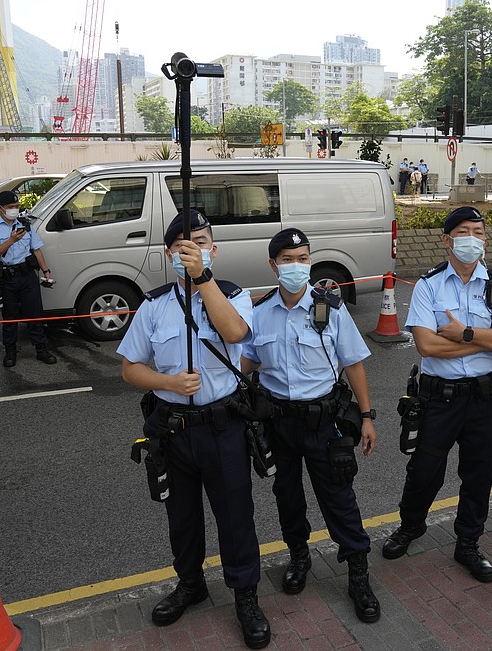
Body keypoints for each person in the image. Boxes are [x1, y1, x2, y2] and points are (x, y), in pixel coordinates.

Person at [117, 210, 270, 648]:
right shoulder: (153, 305)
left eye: (200, 242)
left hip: (222, 427)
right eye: (183, 245)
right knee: (181, 518)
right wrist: (167, 382)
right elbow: (130, 369)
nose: (192, 250)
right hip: (171, 429)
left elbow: (236, 332)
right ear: (169, 254)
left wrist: (202, 280)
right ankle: (190, 583)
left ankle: (245, 595)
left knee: (235, 517)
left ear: (213, 250)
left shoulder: (231, 295)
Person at [240, 228, 380, 624]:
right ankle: (299, 557)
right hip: (278, 423)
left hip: (324, 423)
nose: (297, 266)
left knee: (339, 499)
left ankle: (358, 576)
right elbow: (247, 362)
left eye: (303, 259)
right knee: (287, 497)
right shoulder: (259, 312)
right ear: (273, 265)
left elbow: (353, 363)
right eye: (288, 259)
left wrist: (367, 417)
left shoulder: (331, 309)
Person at [382, 206, 492, 583]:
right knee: (424, 471)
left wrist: (465, 335)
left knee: (478, 473)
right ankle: (411, 525)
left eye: (478, 232)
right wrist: (486, 343)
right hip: (438, 398)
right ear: (447, 240)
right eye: (463, 232)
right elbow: (427, 347)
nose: (472, 239)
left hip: (486, 397)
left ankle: (468, 542)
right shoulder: (429, 284)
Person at [0, 191, 57, 367]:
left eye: (16, 206)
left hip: (27, 275)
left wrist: (46, 270)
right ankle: (10, 351)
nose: (14, 210)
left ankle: (41, 349)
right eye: (10, 207)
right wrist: (11, 240)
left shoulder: (25, 225)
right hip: (7, 278)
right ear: (0, 208)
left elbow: (36, 249)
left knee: (34, 314)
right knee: (10, 317)